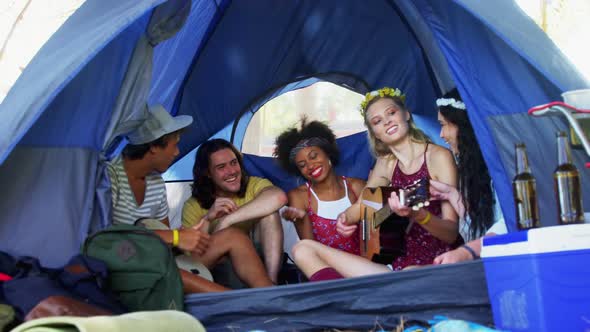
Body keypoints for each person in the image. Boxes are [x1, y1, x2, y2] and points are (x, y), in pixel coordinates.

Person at [291, 87, 459, 281]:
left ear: (406, 114)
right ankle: (342, 303)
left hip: (437, 261)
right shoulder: (386, 163)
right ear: (375, 133)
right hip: (394, 266)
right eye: (377, 121)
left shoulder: (438, 157)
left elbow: (451, 234)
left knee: (409, 273)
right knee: (302, 249)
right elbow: (363, 206)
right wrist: (345, 218)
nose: (386, 121)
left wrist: (418, 215)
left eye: (391, 113)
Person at [108, 105, 273, 292]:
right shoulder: (110, 179)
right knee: (212, 289)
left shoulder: (155, 182)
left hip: (161, 261)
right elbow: (106, 240)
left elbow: (165, 238)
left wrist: (192, 233)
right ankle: (250, 306)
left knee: (233, 237)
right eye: (174, 144)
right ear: (154, 146)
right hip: (129, 266)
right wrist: (177, 237)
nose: (177, 152)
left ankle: (272, 297)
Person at [182, 139, 287, 284]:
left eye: (233, 162)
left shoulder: (253, 184)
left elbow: (279, 197)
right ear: (207, 173)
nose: (231, 171)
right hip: (221, 269)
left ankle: (271, 282)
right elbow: (192, 261)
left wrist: (228, 220)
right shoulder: (193, 205)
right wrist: (207, 219)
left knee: (270, 213)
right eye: (221, 167)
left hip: (260, 257)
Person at [431, 89, 508, 264]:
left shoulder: (500, 165)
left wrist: (467, 252)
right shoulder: (471, 169)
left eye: (443, 125)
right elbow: (476, 229)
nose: (441, 135)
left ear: (462, 124)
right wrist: (451, 194)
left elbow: (508, 223)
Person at [274, 118, 366, 255]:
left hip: (366, 266)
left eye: (314, 156)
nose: (310, 166)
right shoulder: (299, 196)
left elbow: (375, 234)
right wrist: (302, 218)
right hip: (326, 269)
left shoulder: (357, 187)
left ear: (327, 152)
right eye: (302, 165)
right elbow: (310, 250)